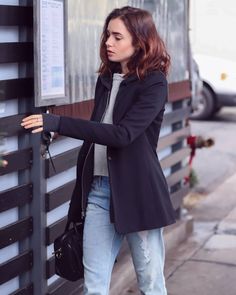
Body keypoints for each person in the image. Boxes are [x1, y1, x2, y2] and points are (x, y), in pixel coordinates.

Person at [21, 6, 176, 295]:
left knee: (151, 284)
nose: (108, 42)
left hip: (138, 194)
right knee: (93, 288)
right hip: (100, 193)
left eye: (117, 36)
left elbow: (122, 135)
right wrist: (80, 192)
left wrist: (59, 122)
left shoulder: (154, 83)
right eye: (107, 34)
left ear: (140, 41)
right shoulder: (106, 79)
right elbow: (97, 134)